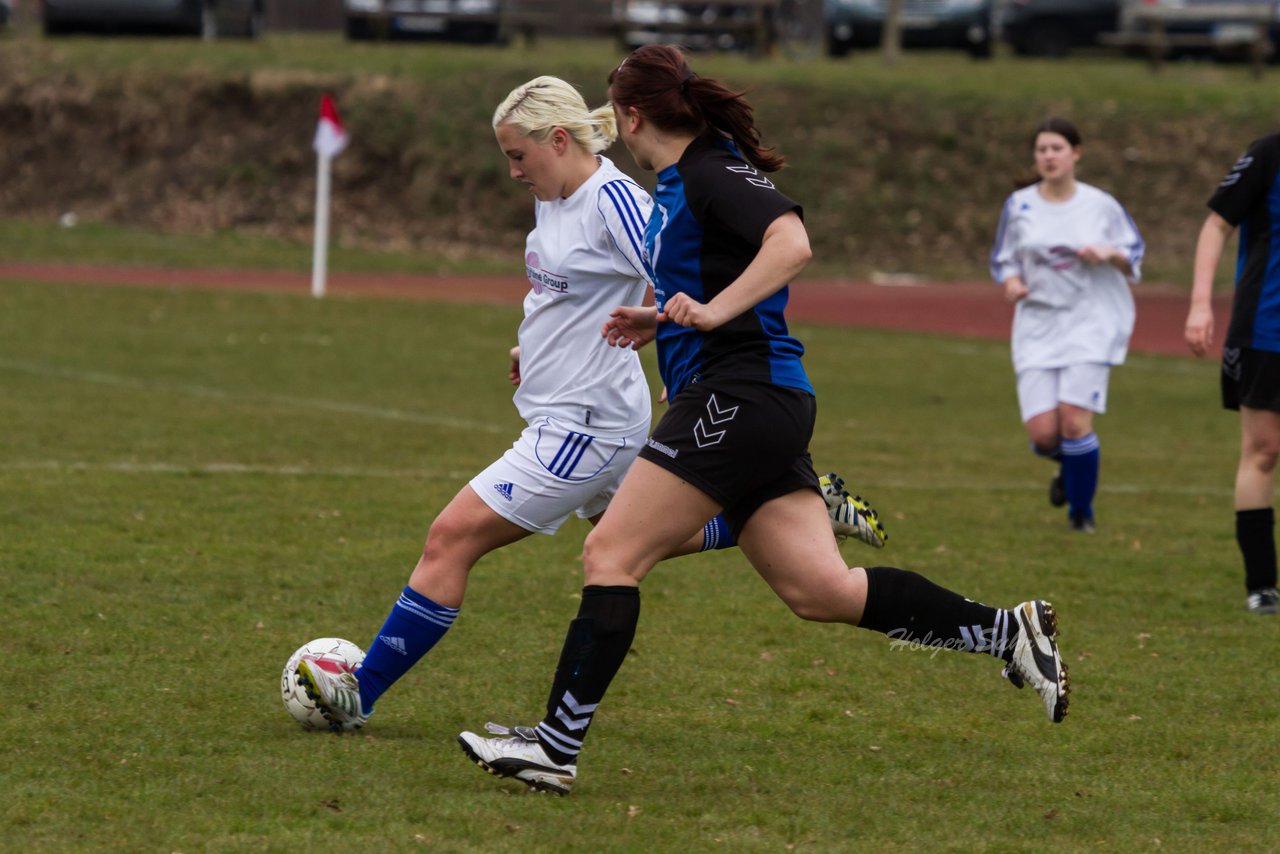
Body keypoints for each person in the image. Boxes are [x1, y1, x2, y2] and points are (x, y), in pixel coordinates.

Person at [456, 46, 1071, 797]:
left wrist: (711, 314)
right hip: (755, 399)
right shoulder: (684, 180)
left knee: (609, 554)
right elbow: (710, 277)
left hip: (738, 397)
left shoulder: (712, 170)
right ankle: (1010, 632)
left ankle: (555, 747)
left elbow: (793, 243)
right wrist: (666, 321)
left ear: (630, 115)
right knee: (822, 591)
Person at [295, 76, 887, 732]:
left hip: (586, 423)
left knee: (451, 538)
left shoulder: (614, 201)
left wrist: (686, 349)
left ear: (557, 140)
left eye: (519, 156)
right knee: (641, 534)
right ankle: (807, 501)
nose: (514, 171)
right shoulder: (557, 196)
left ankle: (361, 692)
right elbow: (566, 291)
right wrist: (534, 346)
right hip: (577, 407)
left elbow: (685, 274)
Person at [989, 117, 1145, 534]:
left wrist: (1108, 253)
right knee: (1044, 435)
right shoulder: (1019, 205)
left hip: (1091, 320)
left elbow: (1134, 254)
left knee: (1075, 421)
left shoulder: (1100, 205)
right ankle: (1073, 469)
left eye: (1057, 148)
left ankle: (1081, 514)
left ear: (1075, 153)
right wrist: (1013, 282)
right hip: (1038, 324)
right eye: (1041, 150)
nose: (1048, 156)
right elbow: (1003, 259)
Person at [1184, 133, 1280, 616]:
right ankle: (1262, 584)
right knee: (1264, 450)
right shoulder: (1268, 154)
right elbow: (1216, 226)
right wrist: (1201, 303)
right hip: (1266, 328)